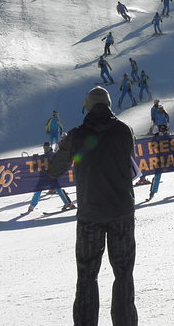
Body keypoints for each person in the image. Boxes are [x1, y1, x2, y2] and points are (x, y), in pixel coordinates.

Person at [47, 86, 138, 326]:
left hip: (90, 214)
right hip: (122, 212)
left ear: (87, 107)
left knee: (87, 276)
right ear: (109, 105)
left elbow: (55, 169)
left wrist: (65, 147)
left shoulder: (76, 135)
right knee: (124, 275)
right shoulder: (124, 130)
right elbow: (129, 157)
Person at [27, 141, 75, 213]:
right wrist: (34, 159)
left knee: (58, 189)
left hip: (52, 176)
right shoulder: (43, 157)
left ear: (50, 147)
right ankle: (32, 206)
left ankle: (67, 203)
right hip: (44, 177)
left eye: (47, 147)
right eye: (44, 147)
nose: (45, 149)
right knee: (39, 191)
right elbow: (35, 167)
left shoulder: (53, 155)